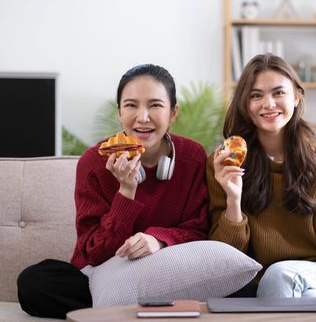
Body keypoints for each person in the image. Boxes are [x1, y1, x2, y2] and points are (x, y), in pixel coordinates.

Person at [17, 64, 209, 319]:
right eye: (131, 105)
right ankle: (145, 307)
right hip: (107, 272)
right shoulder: (93, 162)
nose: (143, 117)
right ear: (119, 112)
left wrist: (158, 240)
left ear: (173, 112)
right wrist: (126, 193)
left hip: (168, 273)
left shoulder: (193, 157)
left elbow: (200, 231)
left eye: (155, 105)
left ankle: (122, 309)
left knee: (246, 288)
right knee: (35, 282)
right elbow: (92, 252)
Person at [207, 53, 316, 300]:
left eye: (278, 93)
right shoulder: (224, 163)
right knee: (291, 292)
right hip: (260, 285)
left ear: (296, 96)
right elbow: (227, 259)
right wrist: (233, 199)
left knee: (281, 276)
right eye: (256, 95)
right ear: (244, 103)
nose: (268, 104)